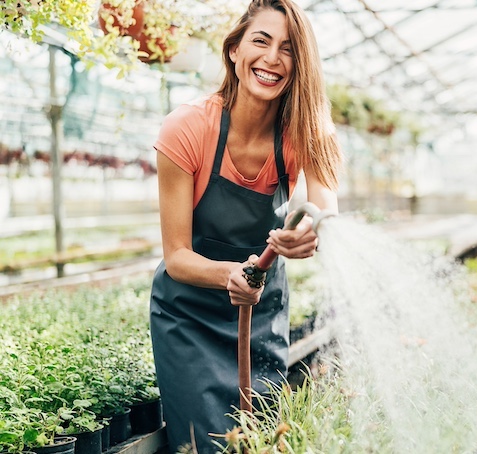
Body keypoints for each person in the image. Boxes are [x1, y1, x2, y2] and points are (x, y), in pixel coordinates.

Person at [148, 1, 341, 453]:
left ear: (301, 65)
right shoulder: (187, 128)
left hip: (260, 313)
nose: (272, 59)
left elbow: (324, 210)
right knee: (208, 444)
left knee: (259, 442)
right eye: (261, 41)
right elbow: (176, 256)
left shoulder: (307, 132)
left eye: (289, 50)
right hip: (189, 315)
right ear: (234, 50)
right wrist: (229, 274)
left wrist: (309, 234)